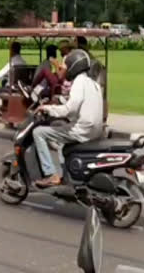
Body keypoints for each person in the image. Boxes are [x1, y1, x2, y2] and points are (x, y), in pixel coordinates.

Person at [33, 49, 105, 187]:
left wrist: (48, 109)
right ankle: (66, 174)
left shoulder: (79, 82)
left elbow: (69, 109)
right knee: (62, 143)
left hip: (83, 129)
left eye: (65, 67)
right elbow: (78, 107)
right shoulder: (93, 83)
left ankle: (50, 174)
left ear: (73, 66)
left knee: (39, 132)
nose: (64, 70)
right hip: (95, 129)